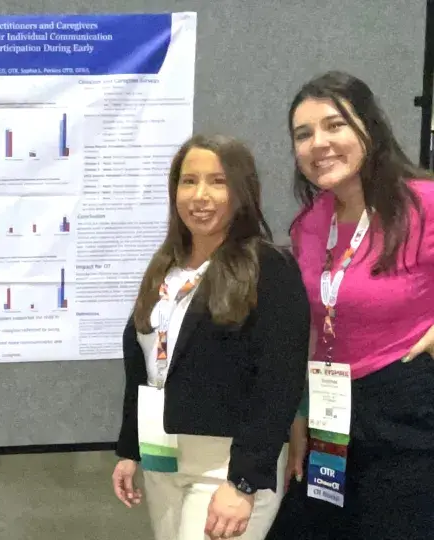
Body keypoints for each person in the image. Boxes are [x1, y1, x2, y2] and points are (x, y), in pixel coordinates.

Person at [112, 134, 310, 540]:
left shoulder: (268, 266)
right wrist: (130, 450)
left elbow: (278, 380)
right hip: (161, 459)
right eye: (189, 181)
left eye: (217, 182)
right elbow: (145, 369)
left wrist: (244, 482)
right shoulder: (165, 267)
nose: (200, 196)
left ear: (242, 191)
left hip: (226, 465)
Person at [265, 71, 434, 539]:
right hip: (329, 414)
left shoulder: (422, 204)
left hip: (406, 417)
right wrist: (300, 415)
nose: (319, 143)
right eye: (304, 134)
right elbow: (314, 329)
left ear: (369, 128)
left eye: (335, 125)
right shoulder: (309, 225)